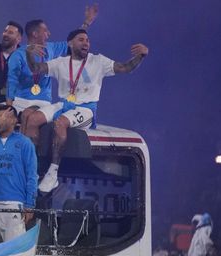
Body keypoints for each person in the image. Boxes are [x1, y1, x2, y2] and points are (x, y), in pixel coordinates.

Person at [25, 30, 148, 193]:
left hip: (86, 109)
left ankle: (52, 173)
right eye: (81, 40)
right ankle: (33, 169)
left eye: (87, 40)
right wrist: (28, 53)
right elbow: (35, 68)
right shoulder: (60, 62)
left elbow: (125, 68)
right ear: (70, 43)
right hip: (64, 104)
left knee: (60, 123)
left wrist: (141, 56)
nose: (86, 43)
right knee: (32, 120)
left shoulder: (98, 61)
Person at [11, 9, 99, 145]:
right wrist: (9, 104)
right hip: (20, 100)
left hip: (42, 102)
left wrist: (86, 23)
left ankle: (30, 157)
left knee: (28, 115)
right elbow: (12, 80)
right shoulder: (18, 54)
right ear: (35, 34)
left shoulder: (51, 48)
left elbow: (73, 42)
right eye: (45, 31)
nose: (49, 34)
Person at [0, 105, 37, 243]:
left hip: (14, 203)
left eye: (4, 117)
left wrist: (30, 204)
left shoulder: (25, 143)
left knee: (14, 253)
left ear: (14, 120)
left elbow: (32, 175)